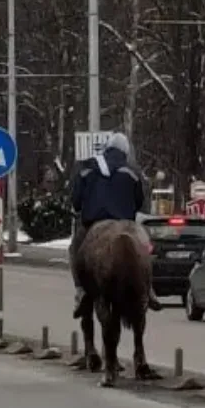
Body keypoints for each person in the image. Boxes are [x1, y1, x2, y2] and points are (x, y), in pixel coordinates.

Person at [70, 132, 162, 318]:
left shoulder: (87, 168)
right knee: (145, 247)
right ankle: (149, 289)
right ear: (125, 151)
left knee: (75, 248)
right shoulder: (132, 171)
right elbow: (139, 200)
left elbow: (76, 200)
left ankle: (81, 290)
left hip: (93, 223)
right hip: (126, 223)